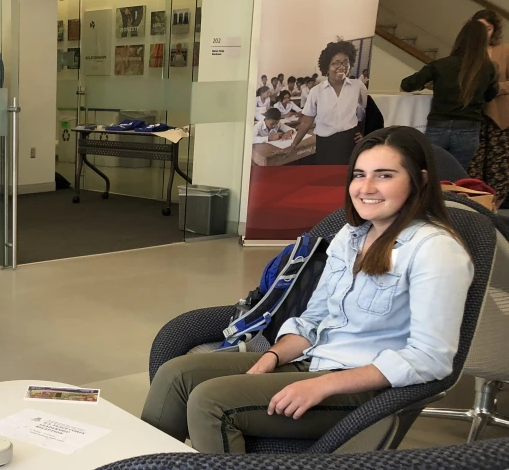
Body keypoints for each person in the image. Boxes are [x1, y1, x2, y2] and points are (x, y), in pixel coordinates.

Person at [143, 125, 473, 453]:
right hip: (314, 360)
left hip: (365, 388)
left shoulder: (436, 250)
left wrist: (325, 384)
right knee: (177, 375)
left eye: (384, 175)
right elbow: (314, 319)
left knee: (209, 402)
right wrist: (274, 354)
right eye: (359, 175)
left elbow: (430, 359)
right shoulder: (351, 236)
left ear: (421, 181)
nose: (366, 187)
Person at [401, 19, 499, 169]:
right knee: (457, 177)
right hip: (468, 128)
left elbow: (406, 85)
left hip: (438, 125)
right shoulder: (488, 68)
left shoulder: (441, 65)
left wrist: (432, 85)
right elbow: (490, 95)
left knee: (432, 174)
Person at [290, 40, 368, 165]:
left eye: (345, 62)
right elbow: (306, 121)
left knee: (347, 178)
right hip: (326, 143)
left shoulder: (358, 87)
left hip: (351, 141)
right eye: (336, 63)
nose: (341, 67)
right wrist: (293, 145)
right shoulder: (316, 91)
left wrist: (366, 135)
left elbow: (367, 113)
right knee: (326, 177)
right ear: (327, 66)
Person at [469, 10, 509, 207]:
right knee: (473, 165)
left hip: (498, 117)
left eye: (488, 28)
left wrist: (493, 87)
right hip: (472, 115)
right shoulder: (467, 51)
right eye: (479, 27)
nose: (483, 32)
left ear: (495, 30)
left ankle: (495, 206)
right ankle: (475, 205)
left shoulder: (505, 50)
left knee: (497, 166)